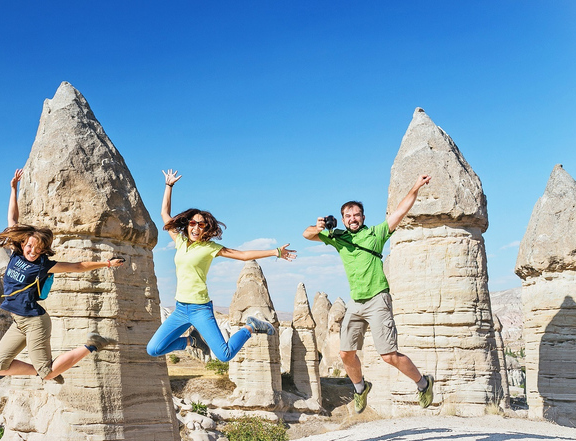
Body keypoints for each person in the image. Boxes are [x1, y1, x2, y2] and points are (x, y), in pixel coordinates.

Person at [302, 174, 435, 413]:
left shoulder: (376, 234)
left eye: (356, 215)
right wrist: (319, 226)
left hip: (377, 299)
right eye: (348, 216)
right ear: (342, 219)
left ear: (363, 217)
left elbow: (401, 210)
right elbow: (306, 235)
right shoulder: (338, 238)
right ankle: (361, 388)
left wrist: (415, 186)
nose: (352, 219)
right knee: (345, 353)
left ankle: (423, 383)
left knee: (389, 356)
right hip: (356, 302)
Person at [0, 169, 125, 385]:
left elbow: (78, 266)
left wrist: (107, 263)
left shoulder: (43, 266)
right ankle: (46, 371)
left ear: (43, 251)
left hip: (35, 321)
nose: (32, 251)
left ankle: (92, 345)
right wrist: (14, 188)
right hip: (18, 322)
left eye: (38, 249)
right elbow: (12, 218)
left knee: (48, 372)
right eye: (30, 246)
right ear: (24, 243)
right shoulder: (16, 252)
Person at [147, 169, 297, 362]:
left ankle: (250, 327)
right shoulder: (180, 241)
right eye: (193, 223)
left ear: (206, 228)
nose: (196, 228)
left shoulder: (210, 247)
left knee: (225, 355)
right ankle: (190, 342)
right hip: (180, 309)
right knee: (154, 349)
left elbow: (242, 255)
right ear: (187, 225)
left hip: (200, 309)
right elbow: (164, 213)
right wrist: (169, 186)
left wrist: (275, 252)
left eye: (201, 225)